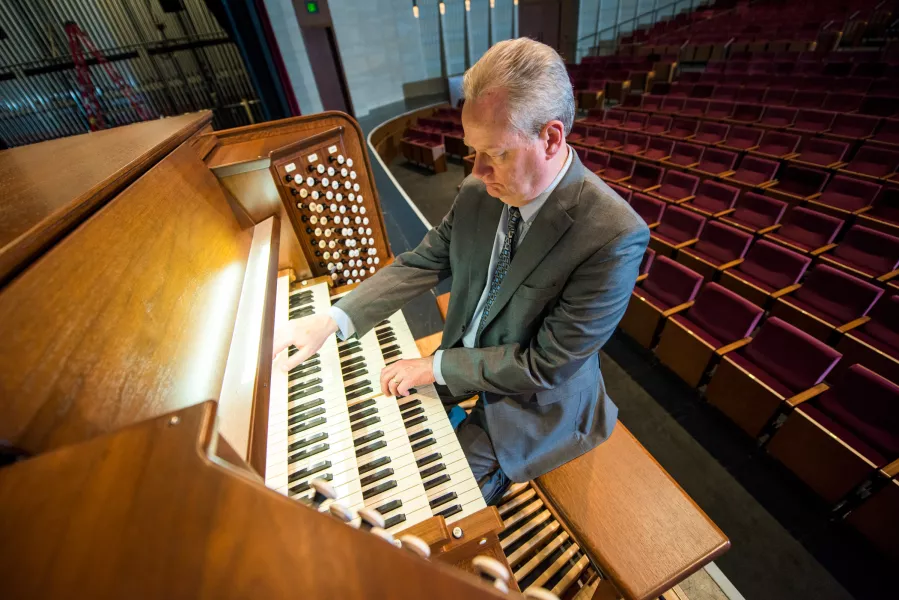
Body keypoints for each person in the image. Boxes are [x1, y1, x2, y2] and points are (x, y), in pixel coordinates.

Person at [273, 38, 649, 505]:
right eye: (473, 151)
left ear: (551, 138)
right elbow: (422, 260)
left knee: (428, 502)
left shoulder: (612, 235)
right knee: (367, 428)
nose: (478, 171)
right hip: (464, 362)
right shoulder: (479, 190)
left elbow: (544, 366)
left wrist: (433, 367)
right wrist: (332, 319)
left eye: (497, 153)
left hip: (533, 405)